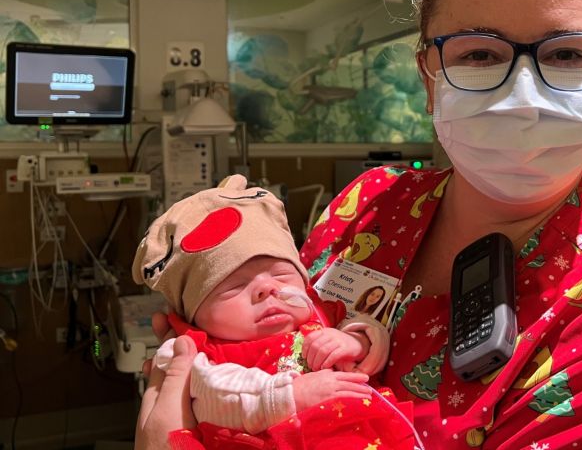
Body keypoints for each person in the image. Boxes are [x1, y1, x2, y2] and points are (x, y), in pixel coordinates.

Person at [137, 0, 582, 450]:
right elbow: (280, 346)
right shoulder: (367, 205)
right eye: (478, 54)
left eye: (567, 54)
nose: (524, 96)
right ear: (428, 75)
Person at [132, 175, 415, 449]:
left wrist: (356, 343)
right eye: (234, 286)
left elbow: (370, 329)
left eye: (281, 275)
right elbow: (211, 399)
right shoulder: (194, 350)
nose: (266, 289)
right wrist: (287, 396)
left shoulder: (322, 315)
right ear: (193, 313)